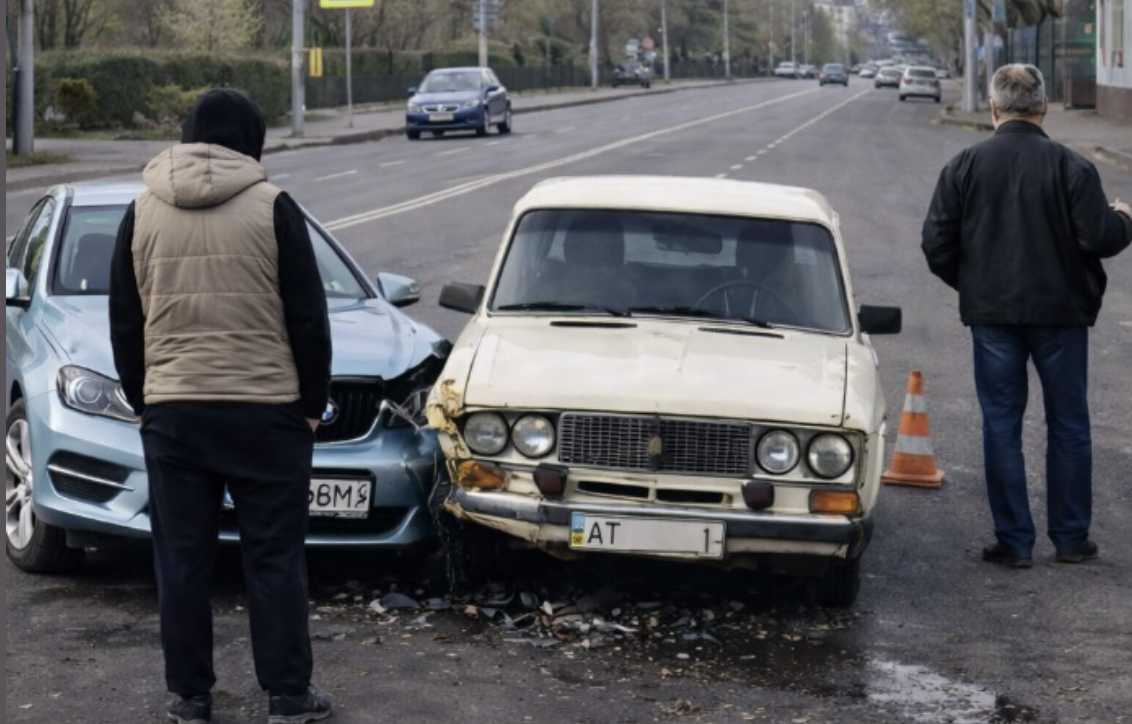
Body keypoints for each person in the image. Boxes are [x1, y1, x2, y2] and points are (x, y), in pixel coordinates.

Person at [109, 88, 334, 724]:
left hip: (176, 414)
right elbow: (308, 317)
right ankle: (287, 695)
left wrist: (144, 398)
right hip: (267, 414)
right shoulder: (275, 207)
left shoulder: (140, 210)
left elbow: (125, 319)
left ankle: (190, 698)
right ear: (253, 141)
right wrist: (311, 405)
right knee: (274, 556)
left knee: (181, 559)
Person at [921, 64, 1132, 570]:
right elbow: (1099, 237)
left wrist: (974, 285)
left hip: (993, 316)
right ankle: (1071, 539)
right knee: (1069, 424)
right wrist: (1124, 217)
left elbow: (936, 243)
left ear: (994, 108)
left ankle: (1014, 542)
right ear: (1044, 107)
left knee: (1001, 424)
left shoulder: (964, 165)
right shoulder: (1072, 166)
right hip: (1062, 316)